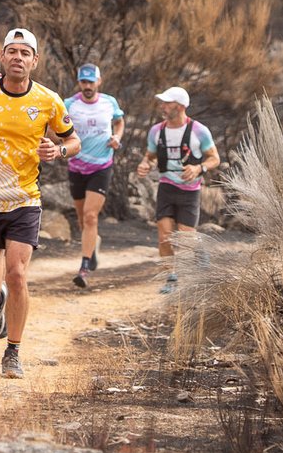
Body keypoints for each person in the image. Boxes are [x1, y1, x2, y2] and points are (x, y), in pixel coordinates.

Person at [0, 29, 77, 379]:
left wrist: (59, 150)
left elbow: (73, 140)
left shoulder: (49, 100)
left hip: (25, 200)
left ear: (35, 60)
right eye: (12, 51)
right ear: (2, 58)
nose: (18, 57)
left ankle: (13, 352)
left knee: (17, 274)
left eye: (25, 52)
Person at [134, 86, 219, 295]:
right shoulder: (156, 131)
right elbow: (150, 156)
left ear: (180, 106)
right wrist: (145, 165)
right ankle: (170, 278)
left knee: (186, 238)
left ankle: (199, 252)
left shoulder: (199, 131)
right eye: (161, 102)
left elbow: (214, 158)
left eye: (167, 103)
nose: (162, 106)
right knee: (164, 236)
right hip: (166, 187)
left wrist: (199, 167)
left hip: (190, 191)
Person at [65, 62, 125, 289]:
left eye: (91, 81)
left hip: (102, 166)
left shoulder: (109, 102)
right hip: (76, 166)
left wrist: (117, 137)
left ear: (99, 81)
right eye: (84, 82)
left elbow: (119, 122)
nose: (87, 86)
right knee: (82, 220)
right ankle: (93, 246)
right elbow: (56, 127)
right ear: (79, 82)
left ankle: (84, 268)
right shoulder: (69, 104)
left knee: (91, 216)